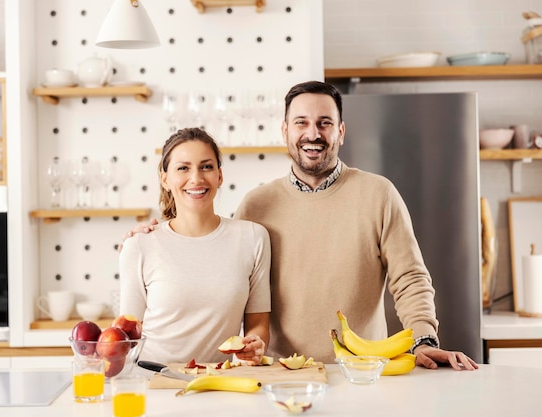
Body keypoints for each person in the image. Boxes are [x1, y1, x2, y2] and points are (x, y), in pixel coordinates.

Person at [124, 82, 478, 371]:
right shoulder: (256, 204)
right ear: (285, 131)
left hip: (362, 369)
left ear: (340, 131)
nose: (313, 133)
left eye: (324, 122)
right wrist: (155, 237)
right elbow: (213, 251)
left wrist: (423, 339)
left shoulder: (378, 194)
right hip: (279, 372)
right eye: (301, 123)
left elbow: (410, 278)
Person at [119, 127, 271, 366]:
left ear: (220, 176)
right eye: (183, 168)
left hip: (220, 380)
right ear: (165, 179)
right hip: (155, 379)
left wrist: (255, 346)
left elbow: (258, 324)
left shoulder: (253, 238)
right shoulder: (139, 245)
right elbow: (126, 335)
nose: (196, 178)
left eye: (206, 166)